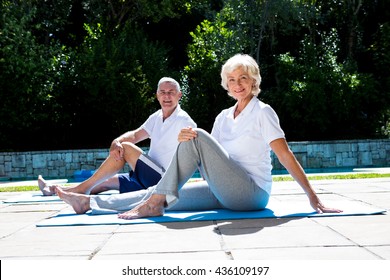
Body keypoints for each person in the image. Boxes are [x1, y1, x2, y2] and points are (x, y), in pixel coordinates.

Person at [56, 54, 342, 218]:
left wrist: (313, 198)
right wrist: (185, 164)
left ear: (253, 80)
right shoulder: (223, 117)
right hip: (222, 190)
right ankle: (89, 203)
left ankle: (153, 204)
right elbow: (207, 160)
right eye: (232, 80)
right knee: (160, 194)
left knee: (194, 137)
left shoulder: (262, 112)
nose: (237, 84)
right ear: (226, 85)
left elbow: (284, 154)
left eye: (243, 78)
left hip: (251, 194)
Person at [39, 77, 196, 196]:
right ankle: (55, 190)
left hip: (163, 179)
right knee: (102, 182)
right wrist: (116, 141)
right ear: (157, 95)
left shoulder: (184, 120)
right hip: (146, 178)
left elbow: (197, 143)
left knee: (126, 148)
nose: (166, 96)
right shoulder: (156, 117)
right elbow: (135, 135)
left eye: (171, 93)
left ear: (179, 95)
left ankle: (81, 190)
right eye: (163, 92)